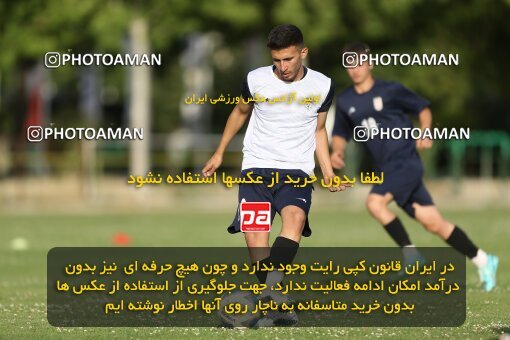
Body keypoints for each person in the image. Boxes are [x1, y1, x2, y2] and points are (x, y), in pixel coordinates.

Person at [202, 24, 342, 325]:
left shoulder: (323, 85)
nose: (283, 67)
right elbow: (240, 112)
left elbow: (319, 130)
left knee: (295, 219)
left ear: (302, 53)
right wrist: (219, 151)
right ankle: (274, 301)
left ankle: (268, 296)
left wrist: (327, 170)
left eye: (289, 59)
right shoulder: (255, 79)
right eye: (277, 60)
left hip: (297, 170)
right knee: (256, 241)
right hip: (255, 168)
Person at [331, 42, 498, 292]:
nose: (355, 69)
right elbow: (340, 133)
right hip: (386, 169)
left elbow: (423, 109)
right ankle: (484, 259)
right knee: (433, 222)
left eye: (359, 62)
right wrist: (338, 151)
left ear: (370, 63)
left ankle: (412, 258)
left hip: (405, 161)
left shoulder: (391, 90)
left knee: (374, 203)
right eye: (349, 64)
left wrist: (425, 132)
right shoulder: (345, 101)